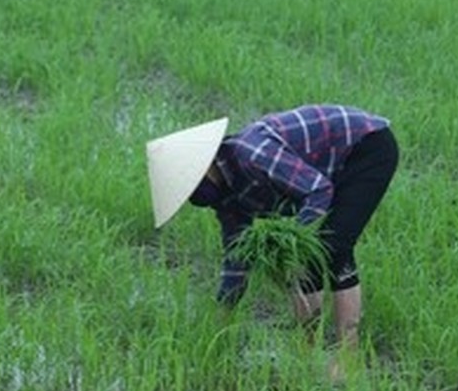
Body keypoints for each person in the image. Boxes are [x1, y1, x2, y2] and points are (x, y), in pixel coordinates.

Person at [145, 104, 398, 360]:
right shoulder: (227, 198)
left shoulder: (252, 153)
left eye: (194, 185)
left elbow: (318, 190)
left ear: (205, 163)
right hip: (328, 168)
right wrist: (223, 315)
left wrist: (289, 243)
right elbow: (237, 256)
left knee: (333, 248)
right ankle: (308, 350)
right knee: (304, 257)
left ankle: (348, 356)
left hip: (365, 145)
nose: (196, 196)